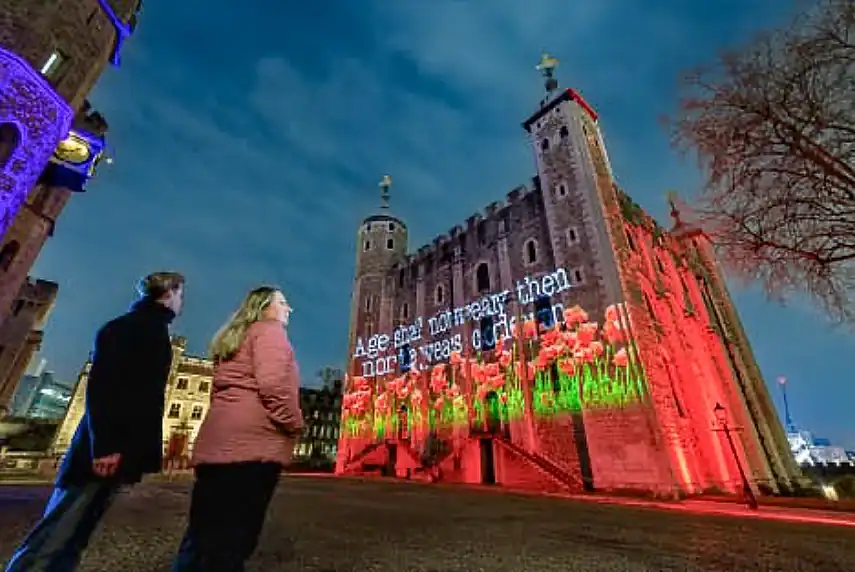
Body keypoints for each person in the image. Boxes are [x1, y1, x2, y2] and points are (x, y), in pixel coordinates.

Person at [5, 271, 185, 572]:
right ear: (168, 294)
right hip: (101, 452)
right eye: (181, 295)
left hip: (113, 450)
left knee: (75, 535)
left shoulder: (144, 328)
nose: (182, 302)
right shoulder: (132, 329)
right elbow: (104, 389)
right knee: (57, 533)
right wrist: (106, 446)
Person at [172, 286, 304, 572]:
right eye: (282, 302)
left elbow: (217, 396)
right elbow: (273, 386)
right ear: (265, 307)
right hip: (252, 449)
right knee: (233, 541)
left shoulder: (230, 339)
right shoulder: (270, 332)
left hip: (218, 445)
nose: (289, 308)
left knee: (200, 535)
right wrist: (294, 424)